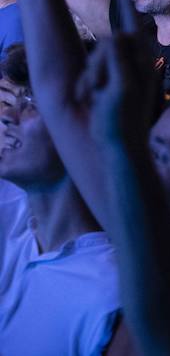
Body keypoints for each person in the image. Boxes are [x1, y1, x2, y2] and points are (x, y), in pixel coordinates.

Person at [0, 48, 124, 354]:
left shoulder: (106, 291)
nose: (5, 116)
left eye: (30, 103)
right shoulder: (13, 218)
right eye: (6, 102)